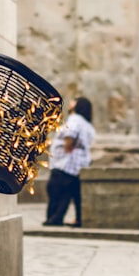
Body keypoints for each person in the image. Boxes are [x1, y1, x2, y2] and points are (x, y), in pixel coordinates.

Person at [44, 96, 95, 227]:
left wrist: (66, 147)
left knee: (55, 191)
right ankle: (58, 219)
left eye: (74, 101)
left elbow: (70, 135)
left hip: (64, 163)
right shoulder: (87, 125)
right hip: (77, 165)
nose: (70, 103)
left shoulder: (74, 119)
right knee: (67, 195)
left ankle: (53, 219)